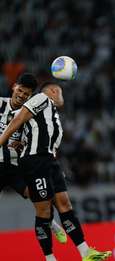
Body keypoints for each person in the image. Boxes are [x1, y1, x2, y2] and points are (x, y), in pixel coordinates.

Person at [0, 81, 111, 261]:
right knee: (43, 211)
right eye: (60, 92)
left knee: (64, 204)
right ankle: (50, 258)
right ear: (53, 91)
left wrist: (21, 141)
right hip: (35, 162)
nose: (62, 97)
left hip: (50, 161)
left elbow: (25, 127)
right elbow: (18, 119)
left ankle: (86, 252)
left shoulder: (49, 111)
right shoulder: (41, 98)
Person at [0, 73, 66, 244]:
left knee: (38, 196)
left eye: (26, 94)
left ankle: (51, 222)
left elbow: (34, 137)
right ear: (14, 86)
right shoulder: (0, 103)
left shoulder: (29, 112)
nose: (21, 95)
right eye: (20, 90)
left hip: (16, 165)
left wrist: (21, 144)